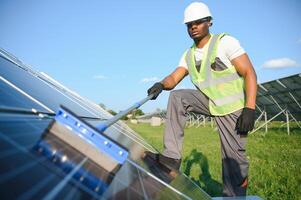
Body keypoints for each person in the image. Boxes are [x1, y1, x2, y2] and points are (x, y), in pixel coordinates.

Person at [147, 2, 257, 197]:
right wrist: (161, 84)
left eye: (198, 22)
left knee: (233, 161)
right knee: (177, 96)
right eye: (189, 24)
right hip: (210, 102)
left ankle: (234, 196)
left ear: (209, 23)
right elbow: (174, 79)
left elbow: (249, 72)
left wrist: (249, 108)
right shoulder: (188, 54)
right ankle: (171, 157)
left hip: (233, 110)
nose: (193, 27)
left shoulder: (225, 42)